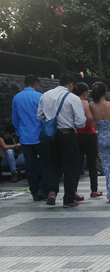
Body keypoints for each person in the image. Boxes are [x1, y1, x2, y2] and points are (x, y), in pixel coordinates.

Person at [37, 72, 86, 208]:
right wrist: (72, 124)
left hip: (51, 135)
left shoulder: (45, 95)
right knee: (70, 166)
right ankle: (69, 199)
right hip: (67, 134)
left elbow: (40, 116)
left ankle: (51, 191)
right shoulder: (72, 98)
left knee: (52, 164)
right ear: (70, 84)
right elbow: (81, 121)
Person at [11, 75, 48, 199]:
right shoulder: (39, 97)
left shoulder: (16, 98)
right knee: (46, 163)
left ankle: (34, 191)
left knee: (29, 165)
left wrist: (19, 132)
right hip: (40, 136)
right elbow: (45, 117)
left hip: (25, 137)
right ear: (36, 83)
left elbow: (15, 119)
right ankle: (43, 188)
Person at [73, 82, 102, 200]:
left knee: (77, 164)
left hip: (76, 135)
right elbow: (90, 120)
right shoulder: (86, 103)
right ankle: (94, 190)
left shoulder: (71, 102)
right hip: (89, 135)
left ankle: (73, 190)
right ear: (85, 93)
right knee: (92, 163)